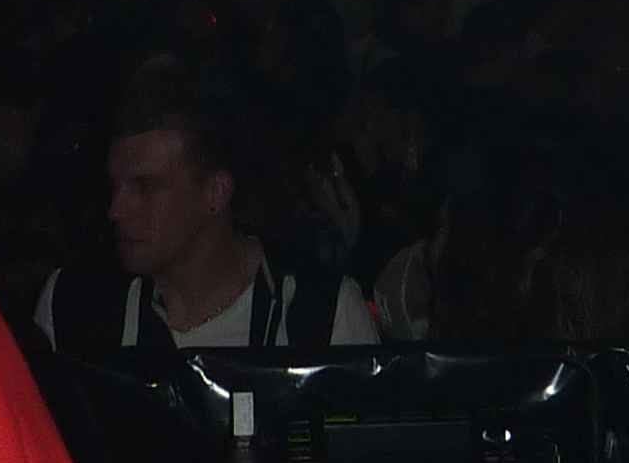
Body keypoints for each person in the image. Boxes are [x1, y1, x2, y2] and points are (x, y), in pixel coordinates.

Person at [34, 64, 376, 352]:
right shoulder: (72, 306)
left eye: (145, 187)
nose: (115, 209)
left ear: (216, 191)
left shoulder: (321, 316)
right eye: (115, 185)